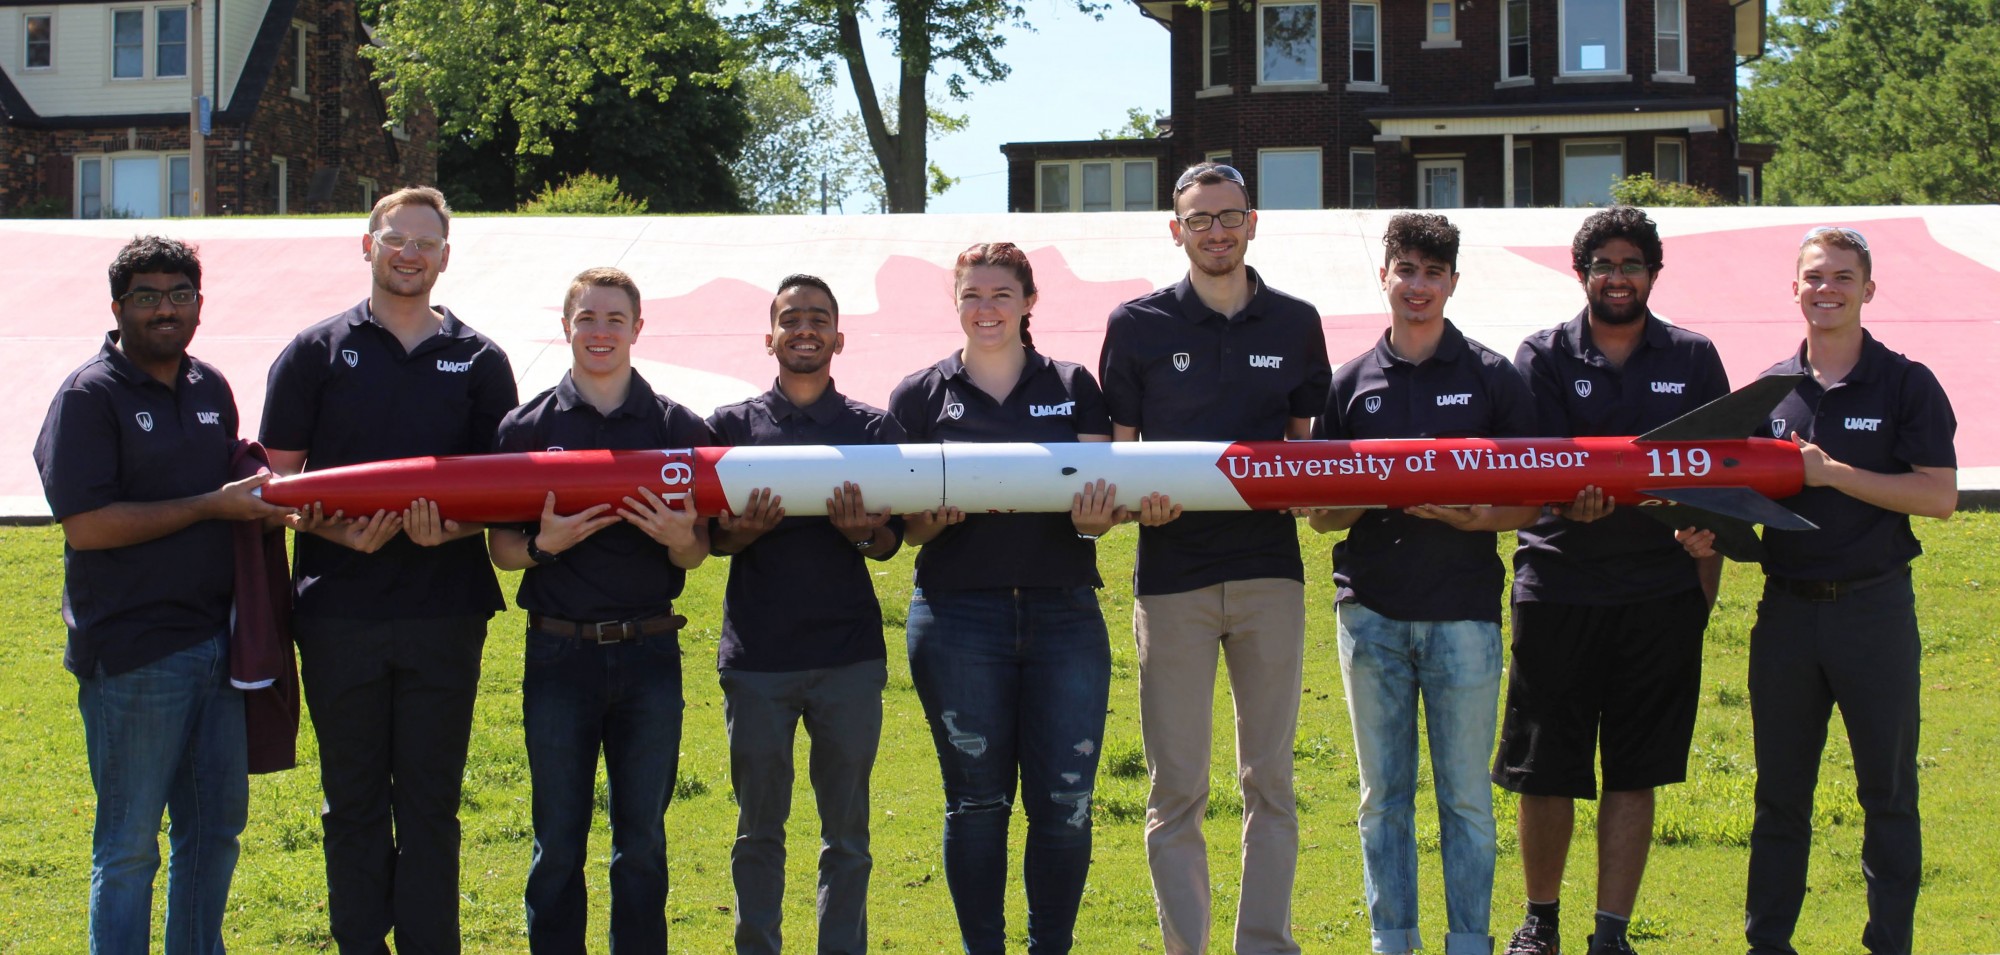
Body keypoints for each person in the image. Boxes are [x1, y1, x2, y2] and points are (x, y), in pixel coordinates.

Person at [1676, 227, 1955, 955]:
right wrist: (1709, 533)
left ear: (1869, 288)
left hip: (1875, 609)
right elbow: (1737, 495)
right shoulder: (1769, 392)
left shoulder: (1905, 381)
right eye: (1812, 277)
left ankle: (1888, 941)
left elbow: (1938, 496)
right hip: (1787, 614)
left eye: (1841, 277)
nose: (1824, 289)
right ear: (1792, 288)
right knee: (1780, 795)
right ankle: (1768, 943)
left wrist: (1832, 474)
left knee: (1888, 793)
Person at [261, 186, 519, 953]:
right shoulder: (313, 353)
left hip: (446, 611)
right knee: (354, 802)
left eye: (425, 242)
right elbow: (273, 492)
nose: (410, 252)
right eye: (395, 238)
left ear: (445, 256)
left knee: (433, 803)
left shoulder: (480, 360)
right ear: (366, 245)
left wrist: (454, 529)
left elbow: (504, 493)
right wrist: (337, 535)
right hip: (338, 611)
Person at [1098, 162, 1331, 955]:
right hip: (1172, 580)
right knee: (1178, 788)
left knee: (1270, 780)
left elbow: (1307, 457)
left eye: (1229, 216)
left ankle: (1265, 943)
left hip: (1271, 575)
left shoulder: (1297, 323)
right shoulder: (1136, 325)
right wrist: (1138, 502)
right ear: (1176, 230)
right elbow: (1120, 466)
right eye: (1200, 220)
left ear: (1253, 221)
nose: (1217, 231)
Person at [34, 235, 292, 953]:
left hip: (220, 647)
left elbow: (236, 491)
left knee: (215, 833)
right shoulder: (90, 396)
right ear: (118, 308)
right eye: (146, 296)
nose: (165, 309)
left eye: (179, 295)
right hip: (135, 653)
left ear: (200, 306)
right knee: (128, 847)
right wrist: (211, 505)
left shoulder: (211, 386)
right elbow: (86, 526)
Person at [1494, 206, 1729, 955]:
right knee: (1546, 768)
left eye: (1631, 264)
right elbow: (1536, 469)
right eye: (1604, 265)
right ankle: (1541, 920)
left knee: (1637, 767)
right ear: (1581, 273)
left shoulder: (1694, 358)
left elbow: (1720, 472)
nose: (1617, 277)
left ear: (1653, 274)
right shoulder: (1541, 356)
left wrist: (1704, 557)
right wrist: (1573, 495)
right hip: (1558, 584)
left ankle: (1612, 933)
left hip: (1658, 593)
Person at [1306, 213, 1538, 955]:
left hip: (1464, 616)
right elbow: (1318, 514)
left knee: (1467, 799)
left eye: (1433, 274)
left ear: (1453, 283)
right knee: (1383, 800)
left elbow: (1534, 495)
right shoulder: (1350, 383)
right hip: (1369, 613)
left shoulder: (1494, 377)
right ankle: (1391, 941)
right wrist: (1377, 486)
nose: (1418, 287)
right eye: (1406, 270)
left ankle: (1469, 941)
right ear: (1384, 276)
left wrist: (1477, 519)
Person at [887, 242, 1125, 954]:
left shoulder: (1075, 383)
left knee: (1065, 805)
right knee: (978, 802)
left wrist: (1094, 516)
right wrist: (935, 513)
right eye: (971, 295)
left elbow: (1096, 511)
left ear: (1029, 302)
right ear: (955, 304)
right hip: (957, 615)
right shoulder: (920, 394)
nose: (985, 308)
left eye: (999, 294)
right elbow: (906, 528)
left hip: (1064, 615)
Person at [488, 267, 711, 953]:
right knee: (557, 839)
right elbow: (501, 549)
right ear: (566, 327)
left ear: (638, 329)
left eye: (616, 319)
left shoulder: (678, 427)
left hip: (649, 655)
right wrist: (544, 546)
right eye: (588, 318)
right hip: (559, 654)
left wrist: (682, 541)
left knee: (640, 839)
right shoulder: (526, 427)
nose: (601, 332)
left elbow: (699, 549)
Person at [706, 274, 904, 954]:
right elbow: (712, 540)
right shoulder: (728, 427)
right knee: (758, 828)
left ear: (839, 336)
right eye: (790, 318)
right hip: (756, 659)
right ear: (769, 336)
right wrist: (745, 532)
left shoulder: (874, 428)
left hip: (847, 658)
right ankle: (756, 944)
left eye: (818, 317)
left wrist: (859, 531)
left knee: (846, 833)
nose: (804, 328)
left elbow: (887, 542)